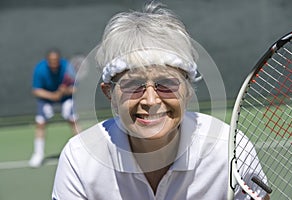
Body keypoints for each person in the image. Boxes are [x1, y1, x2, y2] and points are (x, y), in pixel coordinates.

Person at [52, 2, 268, 199]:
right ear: (110, 93)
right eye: (133, 85)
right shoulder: (79, 158)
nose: (151, 100)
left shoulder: (231, 149)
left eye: (166, 83)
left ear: (188, 91)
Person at [29, 48, 78, 168]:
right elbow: (36, 91)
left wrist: (65, 90)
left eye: (56, 60)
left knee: (73, 120)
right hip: (46, 97)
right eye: (51, 61)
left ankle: (83, 150)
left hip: (65, 97)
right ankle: (38, 154)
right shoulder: (40, 70)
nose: (54, 63)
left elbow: (76, 89)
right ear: (47, 61)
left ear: (59, 60)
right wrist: (52, 95)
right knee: (40, 122)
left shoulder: (68, 68)